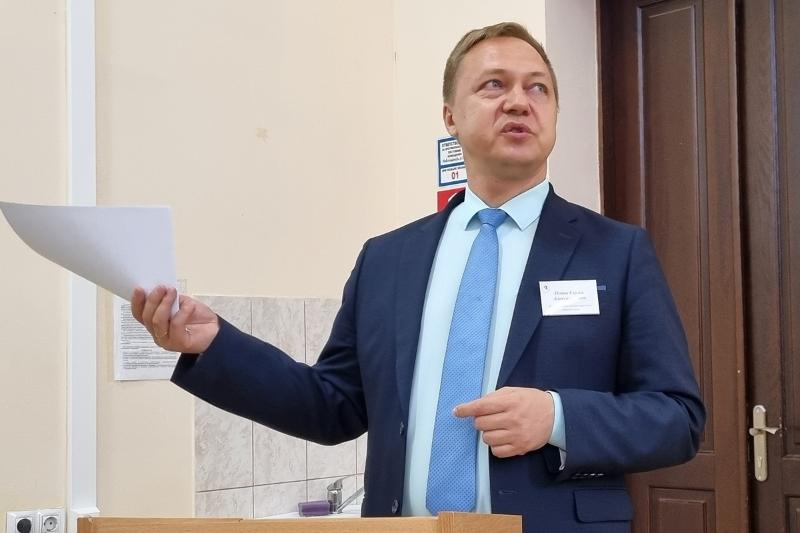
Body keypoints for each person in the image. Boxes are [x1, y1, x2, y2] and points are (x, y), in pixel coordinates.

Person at [132, 22, 705, 532]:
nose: (519, 101)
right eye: (494, 85)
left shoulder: (615, 253)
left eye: (538, 88)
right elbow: (332, 406)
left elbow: (677, 419)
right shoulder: (388, 260)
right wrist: (214, 345)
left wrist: (558, 418)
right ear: (450, 116)